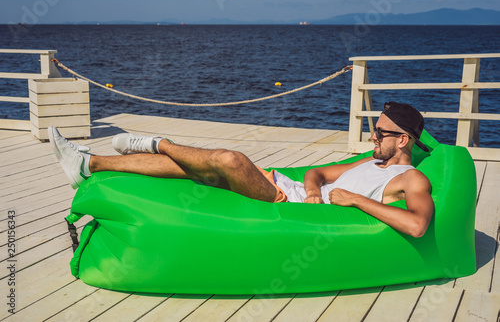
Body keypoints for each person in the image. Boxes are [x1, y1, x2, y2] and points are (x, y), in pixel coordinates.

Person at [49, 101, 434, 238]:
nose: (371, 137)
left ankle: (156, 141)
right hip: (290, 188)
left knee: (229, 160)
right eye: (372, 129)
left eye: (380, 133)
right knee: (189, 169)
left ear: (403, 140)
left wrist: (354, 200)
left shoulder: (411, 178)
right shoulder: (372, 160)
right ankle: (88, 164)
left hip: (286, 203)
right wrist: (316, 189)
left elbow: (417, 226)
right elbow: (318, 173)